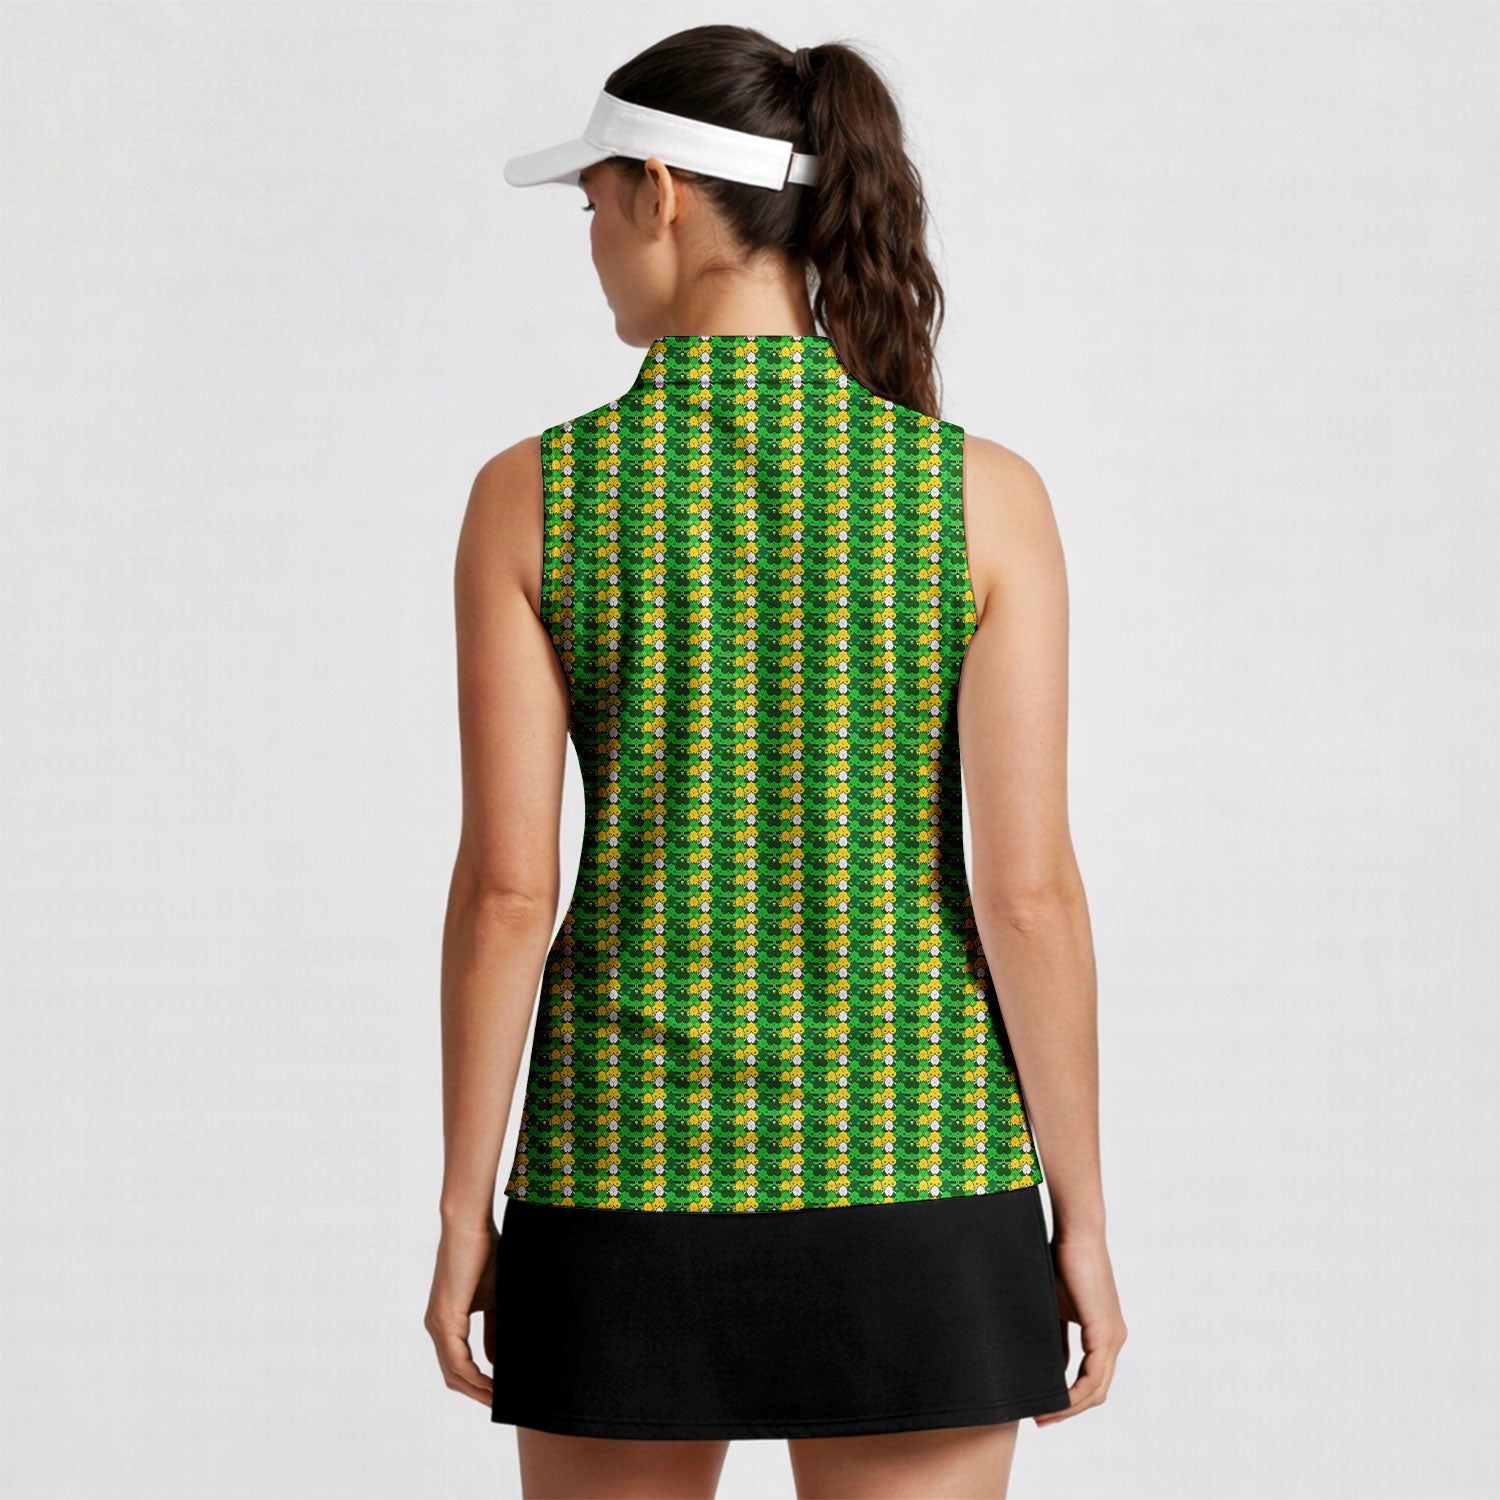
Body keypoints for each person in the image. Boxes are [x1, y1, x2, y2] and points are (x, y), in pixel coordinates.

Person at [424, 24, 1126, 1500]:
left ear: (660, 193)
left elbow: (505, 894)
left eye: (593, 204)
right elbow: (1029, 896)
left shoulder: (531, 499)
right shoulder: (980, 498)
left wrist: (463, 1207)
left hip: (620, 1178)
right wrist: (1081, 1215)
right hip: (921, 1166)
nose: (593, 244)